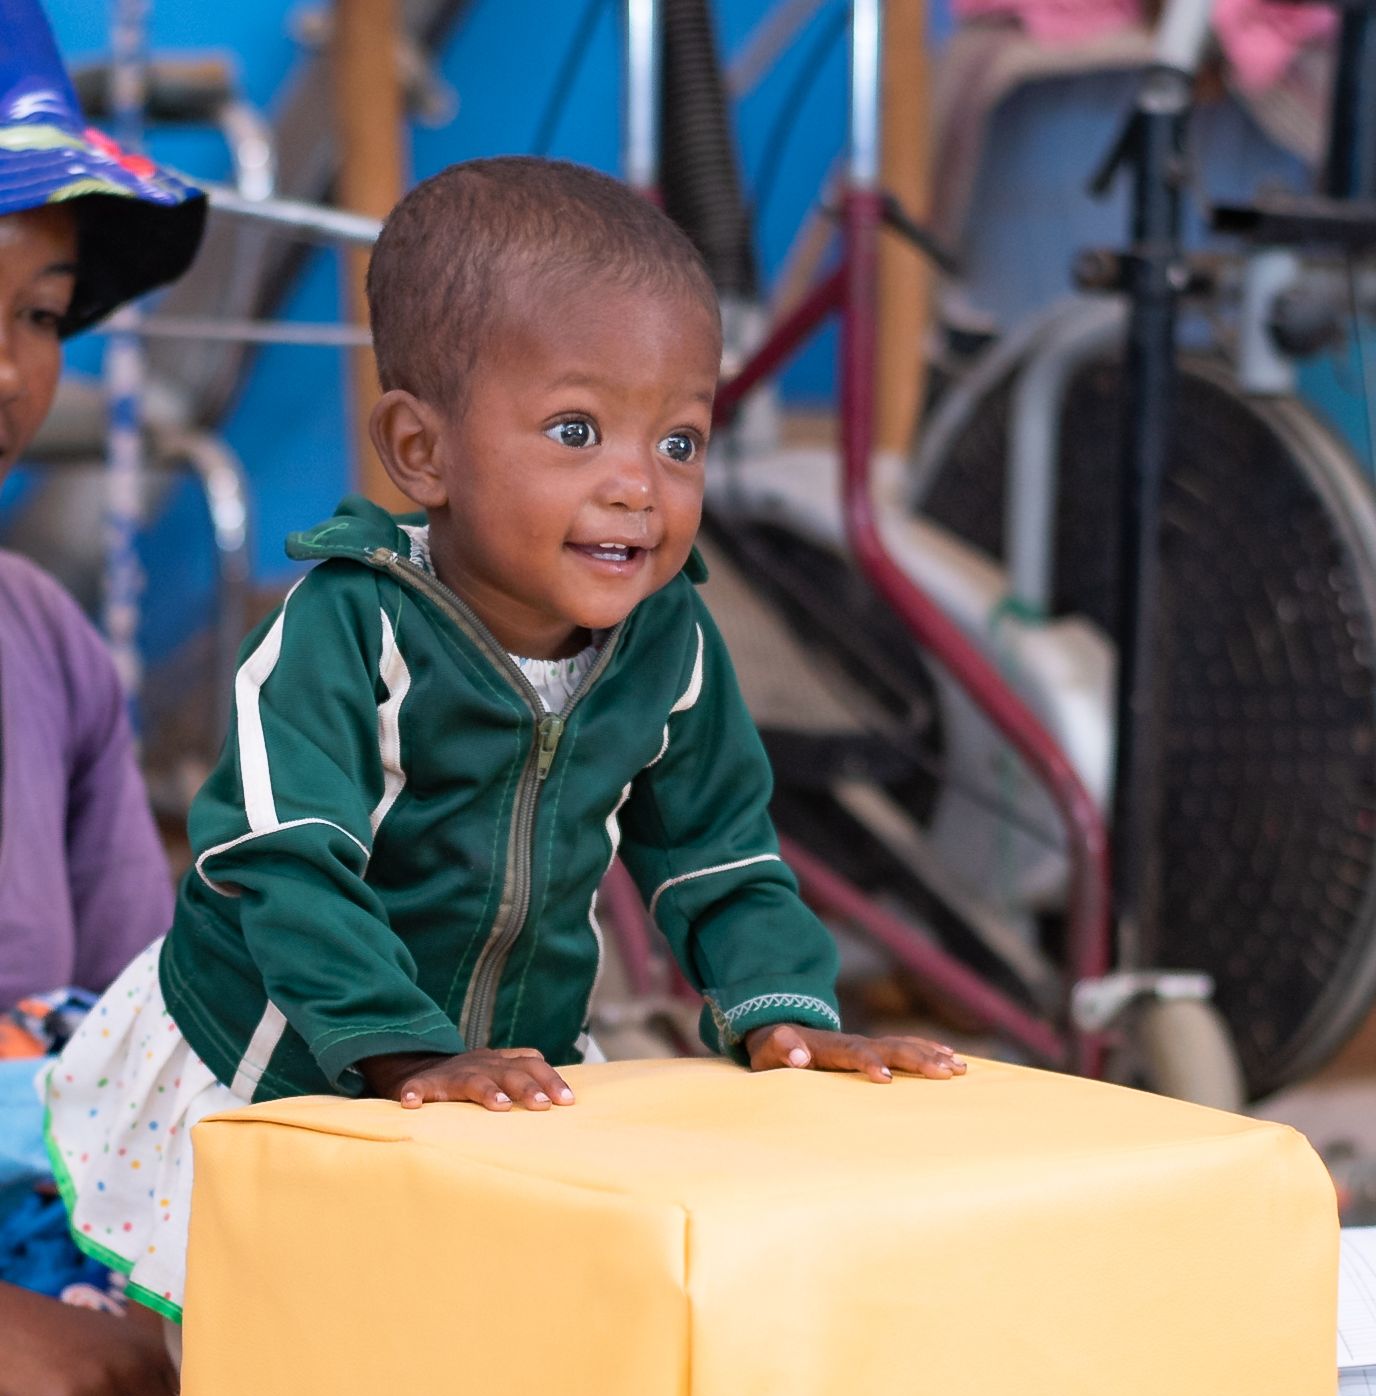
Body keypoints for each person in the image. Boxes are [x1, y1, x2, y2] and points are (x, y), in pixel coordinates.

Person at [44, 156, 966, 1335]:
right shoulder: (339, 631)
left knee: (466, 1344)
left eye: (679, 441)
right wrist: (402, 1051)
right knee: (266, 1361)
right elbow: (282, 863)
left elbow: (718, 853)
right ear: (421, 452)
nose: (638, 486)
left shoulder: (666, 643)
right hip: (280, 1057)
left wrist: (785, 1009)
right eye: (577, 431)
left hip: (500, 1059)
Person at [0, 0, 204, 1396]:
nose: (6, 369)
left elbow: (144, 1044)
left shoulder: (46, 648)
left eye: (41, 316)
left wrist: (149, 1297)